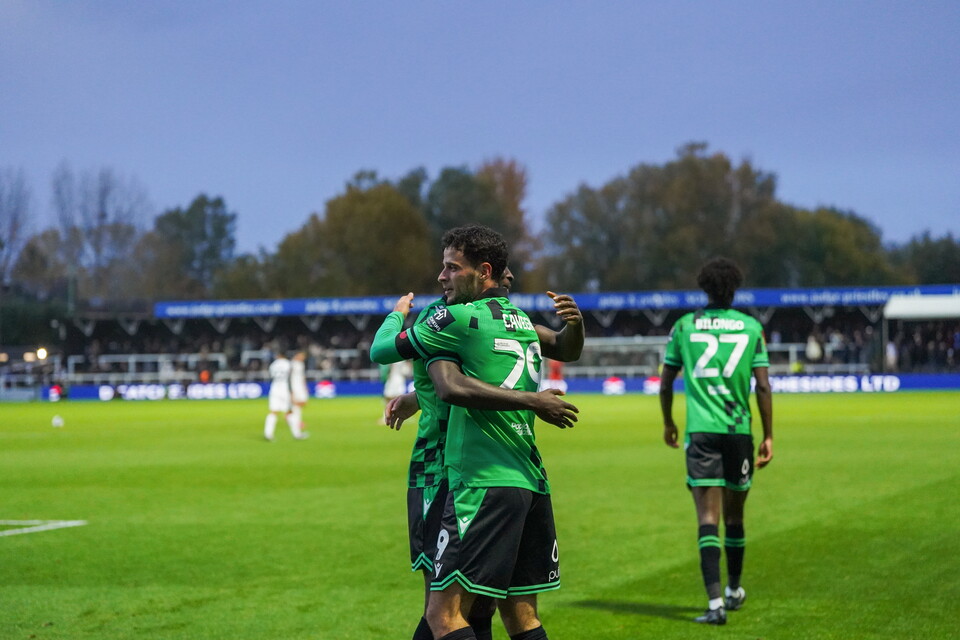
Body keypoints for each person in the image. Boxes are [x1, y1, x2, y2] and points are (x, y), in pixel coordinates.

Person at [374, 225, 581, 640]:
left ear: (483, 272)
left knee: (445, 612)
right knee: (512, 611)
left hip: (463, 474)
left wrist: (398, 313)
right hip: (529, 476)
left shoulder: (451, 317)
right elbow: (563, 347)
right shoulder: (519, 321)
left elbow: (394, 356)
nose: (441, 276)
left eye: (451, 267)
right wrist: (418, 396)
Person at [659, 257, 773, 625]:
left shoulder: (684, 327)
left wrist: (668, 423)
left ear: (703, 287)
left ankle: (714, 606)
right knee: (735, 516)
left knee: (708, 518)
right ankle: (734, 590)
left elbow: (665, 381)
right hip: (739, 431)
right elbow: (764, 385)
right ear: (734, 288)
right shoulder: (753, 327)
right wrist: (768, 435)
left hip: (702, 431)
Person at [263, 352, 308, 441]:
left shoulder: (273, 365)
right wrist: (292, 392)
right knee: (290, 412)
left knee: (273, 412)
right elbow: (291, 379)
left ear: (278, 355)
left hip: (274, 389)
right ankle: (297, 434)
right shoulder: (289, 364)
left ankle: (268, 433)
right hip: (285, 389)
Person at [289, 351, 310, 434]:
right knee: (296, 405)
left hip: (300, 387)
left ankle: (292, 418)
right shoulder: (292, 364)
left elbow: (302, 376)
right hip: (295, 387)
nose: (303, 358)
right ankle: (295, 421)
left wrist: (305, 386)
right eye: (301, 356)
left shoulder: (301, 364)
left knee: (302, 403)